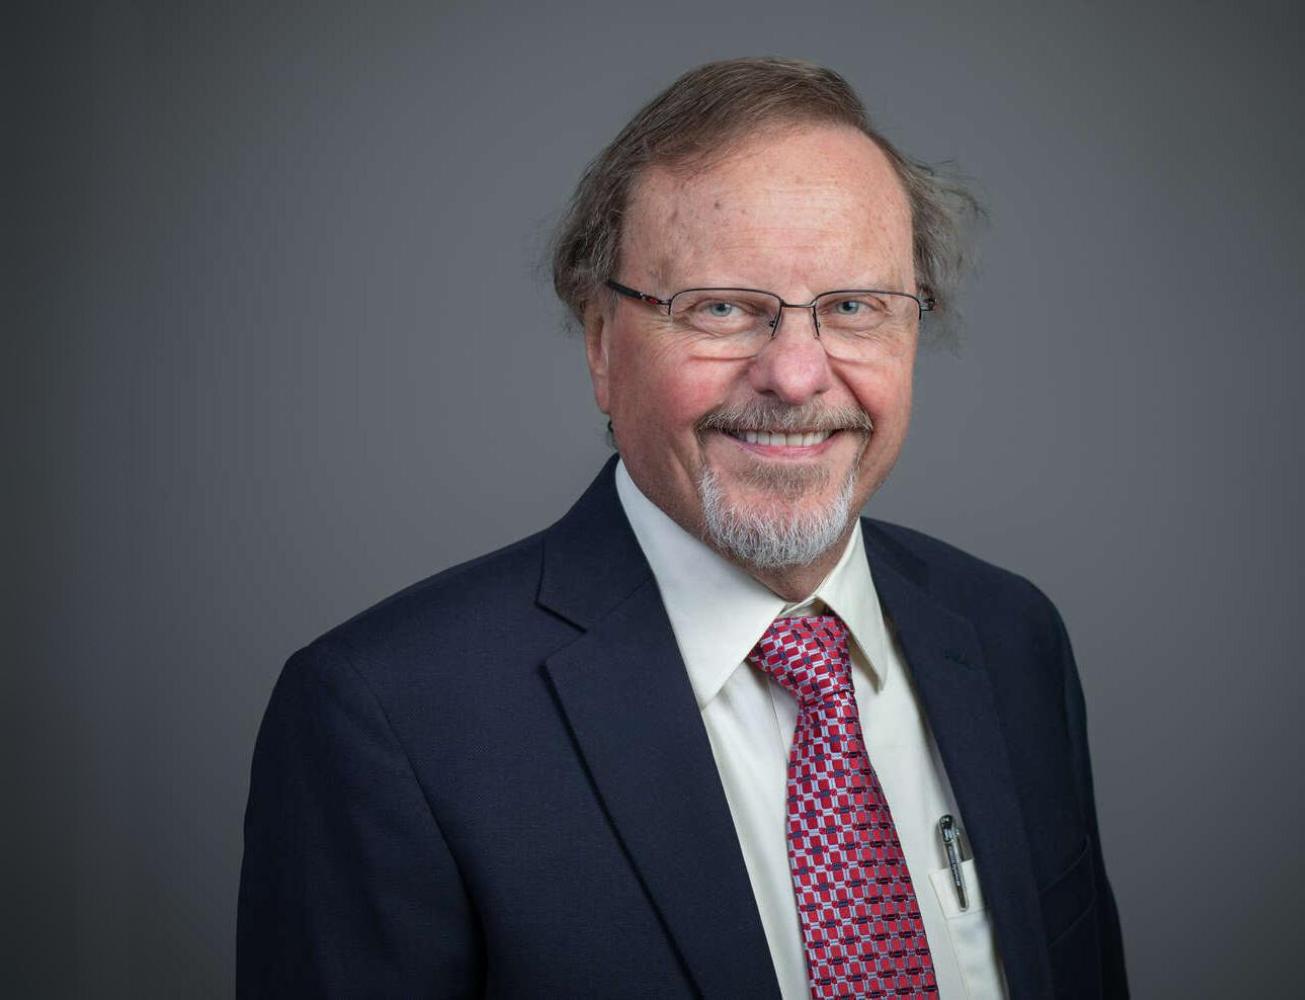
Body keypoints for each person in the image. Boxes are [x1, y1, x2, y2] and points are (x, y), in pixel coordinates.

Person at [237, 56, 1128, 999]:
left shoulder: (1010, 639)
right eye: (723, 308)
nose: (794, 374)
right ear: (600, 345)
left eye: (855, 308)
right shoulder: (391, 719)